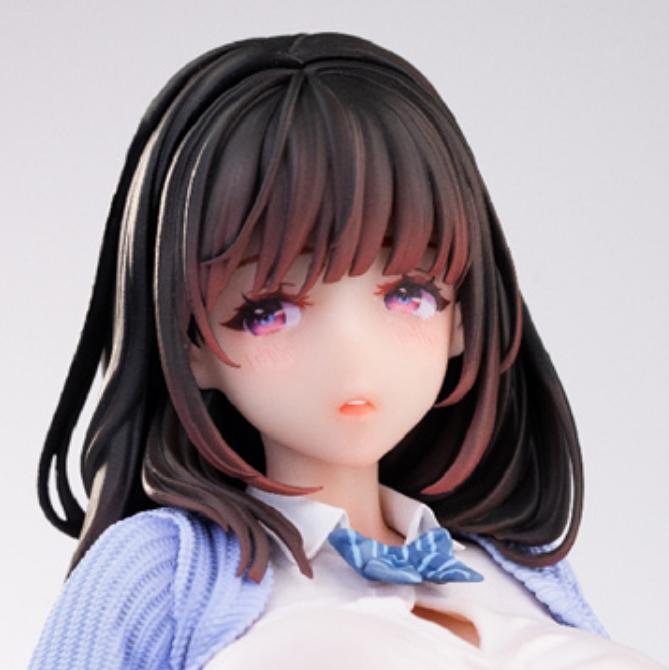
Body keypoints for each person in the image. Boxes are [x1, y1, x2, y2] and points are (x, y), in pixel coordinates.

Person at [30, 32, 663, 669]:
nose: (352, 351)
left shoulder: (525, 570)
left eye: (410, 294)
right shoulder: (163, 574)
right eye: (269, 310)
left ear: (465, 317)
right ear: (191, 346)